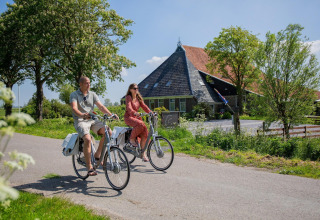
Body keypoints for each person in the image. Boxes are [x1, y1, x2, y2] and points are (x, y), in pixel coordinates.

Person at [70, 76, 118, 176]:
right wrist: (82, 114)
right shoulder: (74, 94)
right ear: (81, 84)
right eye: (86, 83)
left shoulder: (92, 94)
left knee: (108, 132)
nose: (89, 85)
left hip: (92, 119)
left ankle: (97, 154)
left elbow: (101, 106)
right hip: (80, 120)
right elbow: (74, 108)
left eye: (89, 83)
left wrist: (111, 114)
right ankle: (90, 167)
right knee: (87, 139)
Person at [124, 83, 153, 162]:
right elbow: (129, 107)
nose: (136, 90)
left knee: (144, 133)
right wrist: (134, 112)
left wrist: (151, 112)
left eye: (137, 88)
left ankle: (143, 154)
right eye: (134, 88)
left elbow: (144, 106)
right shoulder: (128, 97)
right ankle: (132, 139)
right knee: (141, 124)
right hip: (129, 117)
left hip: (136, 117)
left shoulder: (138, 98)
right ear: (130, 89)